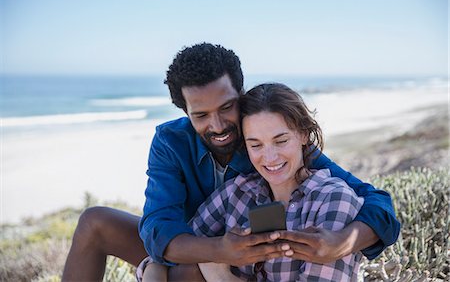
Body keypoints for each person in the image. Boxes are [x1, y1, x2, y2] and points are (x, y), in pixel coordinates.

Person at [62, 43, 400, 281]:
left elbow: (376, 203)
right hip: (196, 246)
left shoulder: (269, 143)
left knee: (188, 272)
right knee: (95, 221)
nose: (218, 125)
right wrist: (219, 250)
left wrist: (345, 241)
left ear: (240, 93)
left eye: (227, 107)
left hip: (238, 262)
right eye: (201, 115)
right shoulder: (170, 141)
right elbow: (158, 228)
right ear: (185, 112)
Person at [138, 83, 365, 281]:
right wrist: (154, 270)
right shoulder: (237, 192)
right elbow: (178, 252)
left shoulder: (334, 200)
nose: (270, 157)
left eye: (281, 140)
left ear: (304, 135)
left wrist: (220, 275)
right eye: (256, 145)